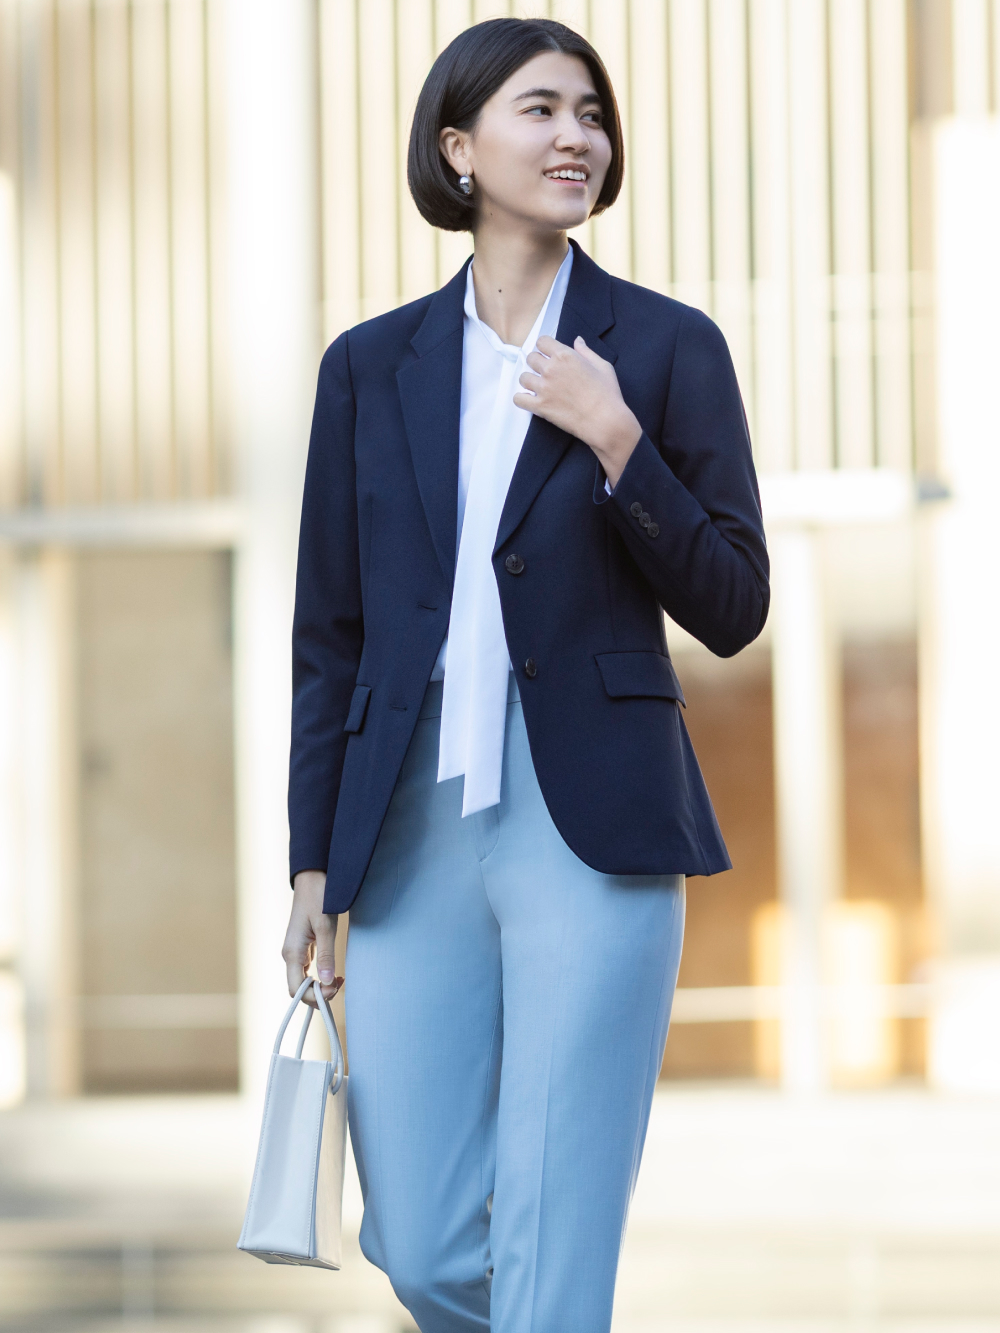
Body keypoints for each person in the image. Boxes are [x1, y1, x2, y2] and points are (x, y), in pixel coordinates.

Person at [282, 16, 768, 1333]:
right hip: (407, 826)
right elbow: (330, 635)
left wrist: (617, 440)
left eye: (592, 116)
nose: (576, 137)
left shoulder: (665, 349)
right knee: (428, 1241)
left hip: (591, 823)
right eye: (542, 110)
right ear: (460, 147)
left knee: (558, 1231)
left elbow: (732, 605)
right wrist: (313, 864)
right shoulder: (370, 367)